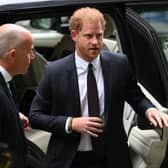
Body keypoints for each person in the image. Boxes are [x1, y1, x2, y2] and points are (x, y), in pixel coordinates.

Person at [29, 7, 168, 168]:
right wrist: (71, 123)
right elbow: (36, 116)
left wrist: (149, 110)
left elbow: (136, 97)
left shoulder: (119, 64)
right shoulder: (54, 71)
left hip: (112, 158)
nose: (95, 42)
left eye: (99, 36)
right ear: (74, 35)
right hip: (69, 159)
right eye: (88, 36)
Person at [0, 24, 35, 168]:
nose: (33, 57)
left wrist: (14, 115)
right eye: (29, 52)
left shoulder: (7, 82)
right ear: (12, 55)